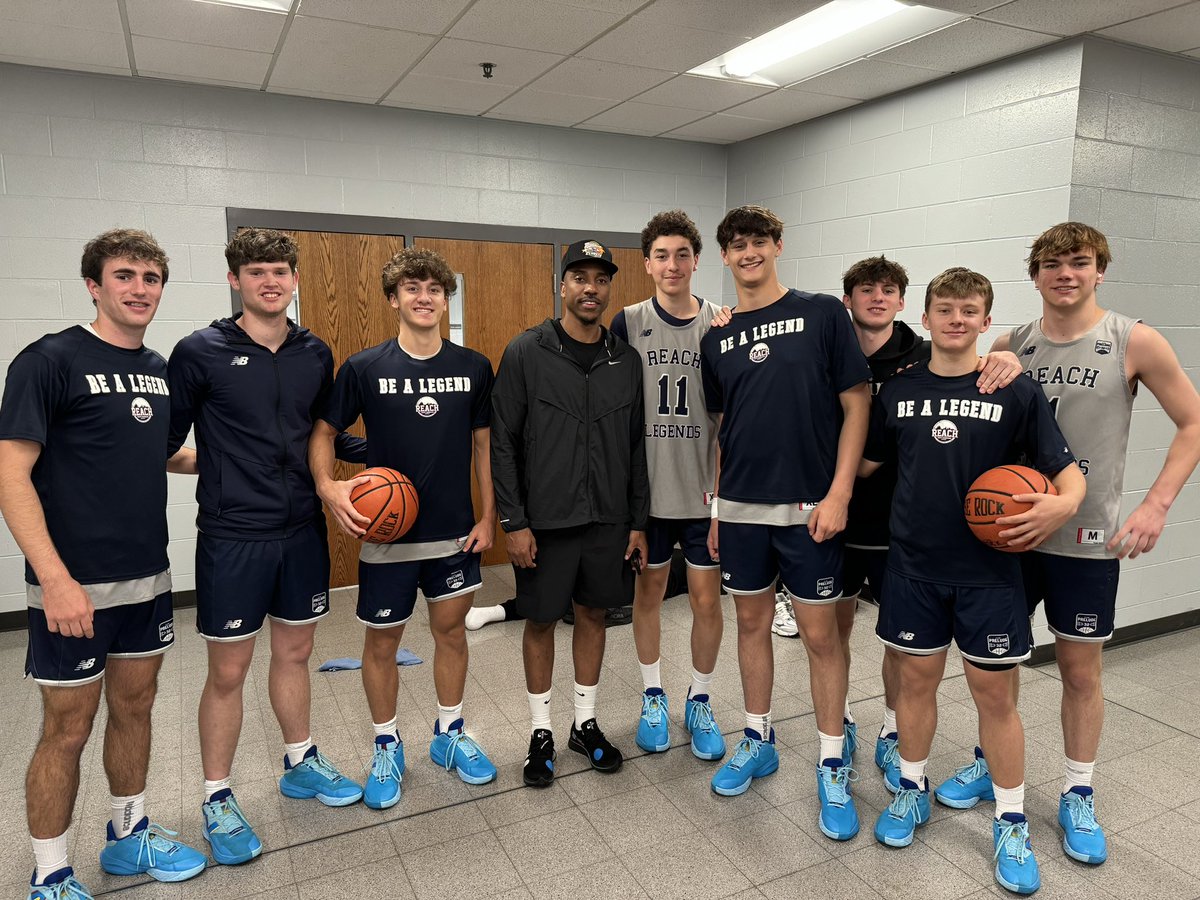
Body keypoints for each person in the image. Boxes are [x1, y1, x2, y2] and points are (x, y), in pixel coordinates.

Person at [935, 223, 1200, 867]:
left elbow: (1193, 423)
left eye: (1079, 262)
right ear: (1035, 275)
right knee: (997, 670)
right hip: (1009, 539)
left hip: (1084, 541)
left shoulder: (1132, 340)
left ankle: (1078, 792)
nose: (1065, 273)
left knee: (1080, 672)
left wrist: (1156, 505)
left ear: (1099, 270)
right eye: (1051, 264)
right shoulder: (1010, 343)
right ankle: (986, 761)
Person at [861, 266, 1086, 895]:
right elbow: (866, 460)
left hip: (989, 574)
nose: (956, 320)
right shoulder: (897, 391)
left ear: (987, 322)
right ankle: (912, 789)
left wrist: (1062, 506)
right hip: (913, 568)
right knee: (915, 685)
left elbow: (1067, 477)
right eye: (946, 309)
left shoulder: (1014, 390)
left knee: (996, 699)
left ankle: (1011, 820)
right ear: (925, 318)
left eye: (969, 311)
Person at [0, 230, 206, 900]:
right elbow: (12, 475)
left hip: (147, 580)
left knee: (136, 707)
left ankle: (128, 834)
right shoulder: (49, 360)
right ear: (94, 284)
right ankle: (51, 873)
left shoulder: (156, 366)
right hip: (72, 587)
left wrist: (244, 453)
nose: (139, 288)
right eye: (125, 275)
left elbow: (158, 453)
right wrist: (53, 579)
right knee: (67, 728)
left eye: (151, 277)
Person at [168, 229, 363, 867]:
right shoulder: (199, 352)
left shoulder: (315, 352)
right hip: (233, 536)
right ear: (236, 280)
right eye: (256, 272)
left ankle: (300, 761)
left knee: (297, 652)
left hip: (302, 529)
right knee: (228, 672)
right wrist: (217, 466)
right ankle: (216, 795)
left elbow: (321, 434)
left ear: (295, 279)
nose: (269, 281)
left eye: (279, 270)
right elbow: (160, 443)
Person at [700, 205, 871, 844]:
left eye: (758, 242)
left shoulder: (823, 312)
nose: (748, 253)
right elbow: (724, 427)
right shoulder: (716, 337)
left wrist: (840, 493)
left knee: (821, 635)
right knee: (749, 623)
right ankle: (758, 735)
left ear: (777, 245)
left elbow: (857, 404)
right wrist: (717, 506)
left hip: (810, 509)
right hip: (741, 508)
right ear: (725, 257)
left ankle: (831, 760)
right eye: (736, 246)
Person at [312, 247, 498, 808]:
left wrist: (489, 516)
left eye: (435, 290)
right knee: (382, 644)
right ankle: (386, 743)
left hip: (454, 532)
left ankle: (449, 733)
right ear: (394, 299)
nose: (424, 298)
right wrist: (329, 487)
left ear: (446, 299)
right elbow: (322, 432)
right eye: (412, 289)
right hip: (388, 534)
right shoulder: (365, 368)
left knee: (450, 634)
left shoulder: (473, 366)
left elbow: (483, 447)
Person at [836, 256, 1022, 792]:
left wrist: (1009, 362)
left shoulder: (926, 359)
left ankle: (894, 735)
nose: (876, 297)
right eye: (864, 289)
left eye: (887, 289)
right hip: (844, 516)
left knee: (905, 652)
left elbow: (989, 369)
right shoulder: (827, 349)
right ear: (847, 300)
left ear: (903, 305)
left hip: (908, 535)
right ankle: (844, 721)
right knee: (834, 633)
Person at [491, 239, 649, 788]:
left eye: (600, 279)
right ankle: (541, 732)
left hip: (607, 520)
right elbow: (503, 444)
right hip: (545, 521)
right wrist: (513, 522)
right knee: (538, 621)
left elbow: (636, 447)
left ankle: (584, 723)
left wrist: (637, 521)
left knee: (593, 614)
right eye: (579, 277)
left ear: (609, 289)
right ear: (562, 285)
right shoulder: (526, 351)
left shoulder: (625, 361)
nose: (590, 288)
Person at [610, 210, 726, 762]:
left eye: (683, 254)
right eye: (662, 254)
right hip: (648, 497)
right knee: (649, 594)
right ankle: (653, 694)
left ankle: (699, 698)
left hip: (703, 492)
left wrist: (724, 500)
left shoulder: (721, 324)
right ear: (647, 262)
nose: (672, 264)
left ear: (697, 260)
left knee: (706, 600)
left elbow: (730, 421)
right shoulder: (627, 322)